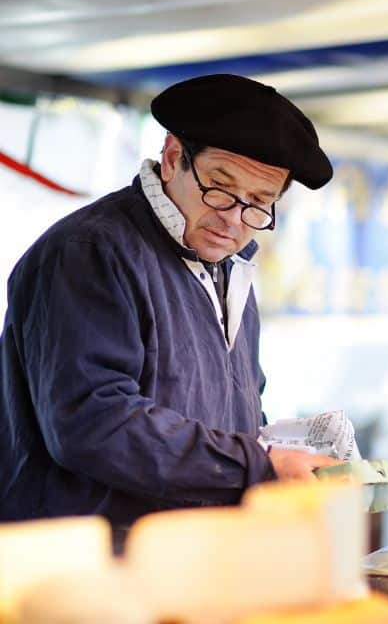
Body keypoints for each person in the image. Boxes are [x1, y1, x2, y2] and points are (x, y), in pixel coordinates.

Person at [0, 73, 340, 527]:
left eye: (259, 202)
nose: (234, 220)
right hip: (87, 561)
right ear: (173, 156)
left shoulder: (229, 266)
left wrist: (284, 451)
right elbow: (93, 422)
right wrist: (258, 465)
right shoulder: (91, 252)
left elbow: (235, 412)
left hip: (188, 552)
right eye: (220, 188)